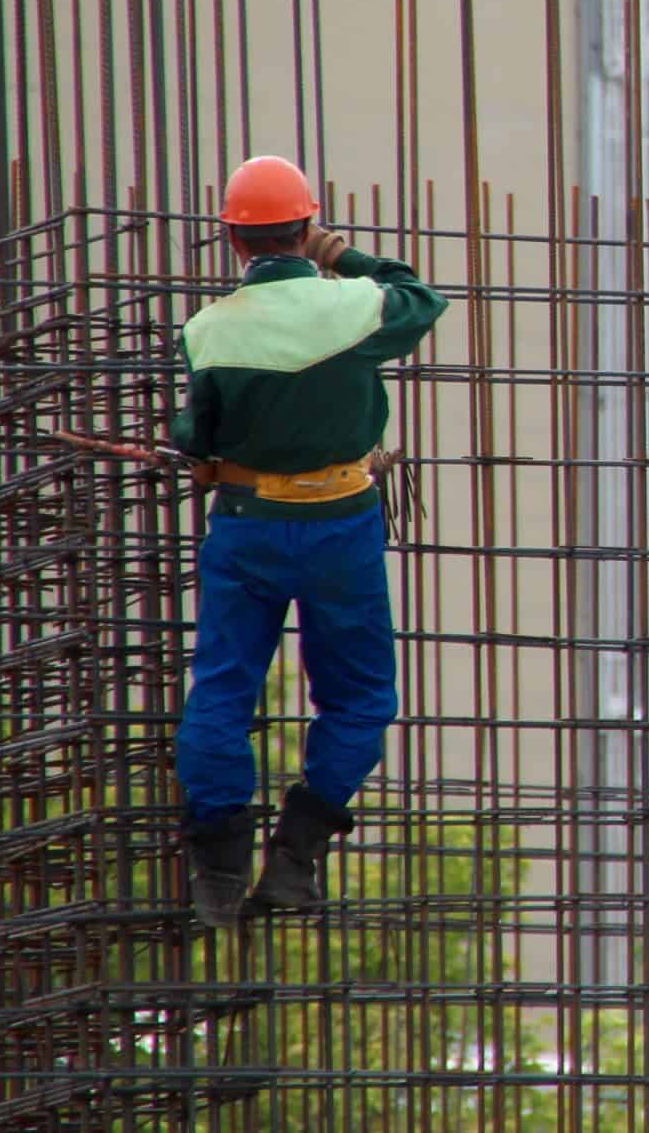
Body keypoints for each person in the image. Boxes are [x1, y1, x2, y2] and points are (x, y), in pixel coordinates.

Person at [172, 155, 448, 928]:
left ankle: (219, 869)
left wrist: (202, 452)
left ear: (232, 237)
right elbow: (422, 297)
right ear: (308, 222)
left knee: (222, 691)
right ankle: (297, 851)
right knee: (360, 697)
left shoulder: (208, 330)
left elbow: (198, 432)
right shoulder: (356, 306)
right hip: (341, 524)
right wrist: (341, 254)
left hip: (248, 524)